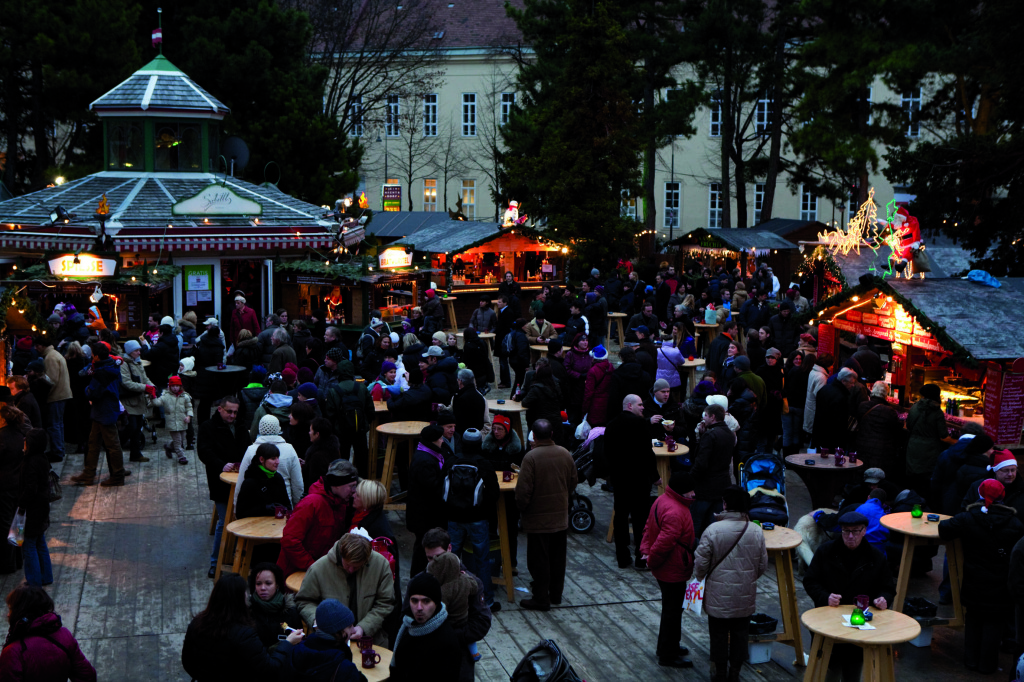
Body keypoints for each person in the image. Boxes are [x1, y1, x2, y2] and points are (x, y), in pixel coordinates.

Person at [939, 478, 1024, 673]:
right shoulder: (1015, 523)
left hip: (974, 581)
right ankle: (987, 666)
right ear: (1003, 496)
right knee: (995, 623)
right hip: (1001, 585)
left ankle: (970, 661)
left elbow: (944, 530)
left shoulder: (968, 518)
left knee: (974, 619)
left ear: (980, 495)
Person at [803, 511, 896, 682]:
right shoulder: (826, 552)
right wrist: (825, 597)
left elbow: (888, 588)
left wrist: (883, 599)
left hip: (861, 624)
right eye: (846, 531)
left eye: (855, 531)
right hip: (829, 620)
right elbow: (810, 580)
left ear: (864, 531)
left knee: (854, 669)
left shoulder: (876, 557)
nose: (850, 536)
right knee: (829, 669)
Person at [694, 485, 768, 682]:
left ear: (726, 504)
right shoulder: (756, 531)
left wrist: (700, 578)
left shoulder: (713, 530)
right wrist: (747, 579)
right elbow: (762, 565)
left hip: (718, 593)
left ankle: (719, 674)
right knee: (740, 634)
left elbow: (701, 563)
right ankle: (735, 674)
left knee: (718, 635)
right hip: (744, 593)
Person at [182, 573, 302, 681]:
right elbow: (269, 667)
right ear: (239, 599)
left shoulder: (196, 623)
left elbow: (187, 662)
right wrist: (288, 642)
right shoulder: (244, 634)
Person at [516, 419, 577, 610]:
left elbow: (523, 491)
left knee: (538, 559)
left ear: (533, 435)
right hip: (560, 516)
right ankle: (556, 594)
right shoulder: (565, 454)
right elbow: (573, 482)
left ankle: (541, 598)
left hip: (537, 518)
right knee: (558, 558)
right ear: (552, 434)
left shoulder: (531, 458)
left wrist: (522, 509)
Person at [295, 533, 396, 646]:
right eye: (348, 565)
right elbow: (304, 601)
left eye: (357, 566)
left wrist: (364, 627)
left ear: (367, 559)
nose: (351, 570)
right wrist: (316, 620)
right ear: (341, 554)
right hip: (330, 643)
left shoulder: (381, 565)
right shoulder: (318, 568)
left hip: (370, 641)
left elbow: (385, 603)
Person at [639, 472, 696, 669]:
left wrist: (646, 551)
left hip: (669, 567)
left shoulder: (662, 500)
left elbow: (648, 527)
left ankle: (670, 645)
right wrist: (652, 560)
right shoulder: (676, 511)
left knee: (672, 610)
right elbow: (664, 543)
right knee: (672, 612)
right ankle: (667, 654)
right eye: (690, 490)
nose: (693, 493)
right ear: (682, 490)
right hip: (672, 569)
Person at [445, 428, 499, 608]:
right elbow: (493, 493)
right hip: (477, 518)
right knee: (481, 560)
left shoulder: (453, 460)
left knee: (452, 559)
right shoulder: (483, 464)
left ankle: (450, 599)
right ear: (479, 444)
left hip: (454, 516)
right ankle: (486, 600)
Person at [606, 395, 659, 569]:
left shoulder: (612, 425)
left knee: (620, 517)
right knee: (640, 518)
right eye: (640, 404)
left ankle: (622, 556)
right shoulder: (640, 424)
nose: (643, 407)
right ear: (630, 405)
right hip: (639, 479)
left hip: (620, 479)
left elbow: (608, 453)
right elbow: (647, 453)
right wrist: (655, 476)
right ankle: (640, 557)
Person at [0, 585, 96, 681]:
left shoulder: (13, 651)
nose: (8, 614)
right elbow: (87, 676)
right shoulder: (64, 636)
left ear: (20, 612)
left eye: (10, 609)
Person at [278, 459, 356, 576]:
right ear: (337, 484)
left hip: (320, 571)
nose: (354, 492)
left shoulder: (340, 504)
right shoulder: (311, 503)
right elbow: (290, 541)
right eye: (351, 486)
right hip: (295, 573)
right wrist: (313, 566)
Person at [70, 343, 128, 487]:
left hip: (104, 411)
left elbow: (92, 392)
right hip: (104, 410)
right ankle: (89, 473)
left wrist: (87, 390)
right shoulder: (112, 365)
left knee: (112, 445)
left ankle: (117, 476)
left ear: (95, 356)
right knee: (94, 443)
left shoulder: (101, 372)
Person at [390, 573, 463, 681]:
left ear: (436, 603)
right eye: (414, 600)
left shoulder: (447, 641)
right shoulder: (407, 625)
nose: (419, 607)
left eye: (426, 601)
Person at [427, 552, 485, 664]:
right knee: (470, 640)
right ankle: (475, 654)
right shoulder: (465, 581)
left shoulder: (445, 590)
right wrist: (466, 576)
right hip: (464, 618)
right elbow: (474, 587)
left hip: (451, 621)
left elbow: (441, 610)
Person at [288, 599, 366, 682]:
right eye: (350, 626)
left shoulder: (294, 653)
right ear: (338, 632)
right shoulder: (345, 668)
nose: (354, 630)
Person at [408, 424, 449, 576]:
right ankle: (418, 578)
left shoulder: (429, 454)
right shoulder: (425, 461)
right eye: (439, 438)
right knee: (422, 551)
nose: (442, 441)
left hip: (426, 515)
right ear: (432, 441)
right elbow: (433, 488)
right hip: (424, 517)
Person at [690, 403, 736, 540]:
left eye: (705, 415)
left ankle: (693, 554)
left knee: (695, 524)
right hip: (722, 485)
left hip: (706, 487)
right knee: (713, 525)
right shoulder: (729, 433)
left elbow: (701, 463)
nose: (703, 418)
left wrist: (690, 481)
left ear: (713, 417)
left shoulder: (710, 436)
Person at [238, 415, 304, 509]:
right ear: (278, 429)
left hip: (257, 508)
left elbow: (241, 481)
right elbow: (297, 483)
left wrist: (236, 505)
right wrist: (298, 507)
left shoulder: (251, 450)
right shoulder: (289, 449)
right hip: (283, 507)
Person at [324, 357, 374, 477]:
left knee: (342, 462)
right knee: (362, 460)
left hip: (341, 432)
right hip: (360, 430)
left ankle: (345, 486)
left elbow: (330, 415)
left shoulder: (333, 391)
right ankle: (363, 487)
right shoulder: (361, 388)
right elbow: (370, 410)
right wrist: (365, 424)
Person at [906, 383, 956, 502]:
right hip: (930, 451)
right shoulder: (936, 412)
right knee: (926, 484)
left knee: (913, 482)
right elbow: (943, 436)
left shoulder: (914, 407)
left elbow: (908, 426)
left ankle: (911, 504)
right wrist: (957, 442)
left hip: (913, 447)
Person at [17, 428, 52, 586]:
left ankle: (34, 581)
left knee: (29, 545)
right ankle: (46, 576)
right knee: (40, 543)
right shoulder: (43, 459)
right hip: (42, 508)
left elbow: (30, 489)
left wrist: (21, 505)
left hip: (32, 510)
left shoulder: (29, 463)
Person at [247, 562, 302, 650]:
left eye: (268, 583)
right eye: (258, 584)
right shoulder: (247, 611)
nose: (263, 588)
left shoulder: (290, 611)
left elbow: (299, 644)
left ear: (277, 585)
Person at [34, 336, 71, 462]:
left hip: (56, 395)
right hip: (62, 394)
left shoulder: (50, 357)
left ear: (43, 345)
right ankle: (59, 450)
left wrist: (39, 377)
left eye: (37, 345)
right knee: (58, 424)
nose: (35, 348)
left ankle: (57, 452)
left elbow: (52, 379)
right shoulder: (55, 354)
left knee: (54, 425)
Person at [855, 382, 904, 472]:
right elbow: (897, 429)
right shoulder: (889, 411)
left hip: (862, 444)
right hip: (881, 449)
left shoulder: (863, 405)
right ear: (886, 394)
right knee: (877, 473)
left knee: (862, 470)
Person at [236, 443, 293, 519]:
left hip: (276, 525)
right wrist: (265, 508)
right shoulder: (250, 482)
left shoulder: (278, 478)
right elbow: (240, 513)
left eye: (277, 458)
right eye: (273, 459)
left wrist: (282, 508)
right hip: (254, 527)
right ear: (262, 459)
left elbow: (288, 506)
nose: (277, 461)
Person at [150, 374, 193, 465]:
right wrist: (153, 397)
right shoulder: (165, 396)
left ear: (180, 386)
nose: (175, 388)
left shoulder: (185, 396)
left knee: (181, 440)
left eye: (177, 386)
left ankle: (169, 446)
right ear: (169, 386)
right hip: (172, 423)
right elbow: (157, 403)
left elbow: (189, 407)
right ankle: (182, 457)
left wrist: (189, 416)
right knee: (178, 442)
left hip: (182, 422)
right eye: (173, 386)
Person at [812, 367, 858, 450]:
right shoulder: (841, 397)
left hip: (819, 434)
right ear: (843, 381)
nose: (853, 385)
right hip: (832, 440)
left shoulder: (824, 389)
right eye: (851, 382)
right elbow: (839, 423)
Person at [303, 418, 341, 495]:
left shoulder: (317, 456)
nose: (309, 433)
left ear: (317, 434)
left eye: (311, 430)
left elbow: (313, 480)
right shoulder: (334, 449)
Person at [802, 353, 832, 442]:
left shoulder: (813, 371)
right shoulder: (821, 377)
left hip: (809, 406)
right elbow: (820, 395)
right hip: (815, 409)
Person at [583, 344, 615, 427]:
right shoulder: (611, 367)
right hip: (608, 404)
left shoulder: (592, 371)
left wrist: (584, 409)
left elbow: (588, 393)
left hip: (595, 406)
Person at [453, 369, 487, 436]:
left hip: (464, 436)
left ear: (460, 381)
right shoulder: (480, 396)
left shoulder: (461, 398)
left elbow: (458, 421)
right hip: (477, 434)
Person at [494, 295, 516, 388]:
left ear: (505, 303)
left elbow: (506, 328)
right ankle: (504, 381)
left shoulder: (508, 313)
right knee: (502, 361)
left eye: (500, 302)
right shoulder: (503, 311)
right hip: (501, 339)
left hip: (503, 341)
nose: (497, 303)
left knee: (503, 362)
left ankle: (506, 382)